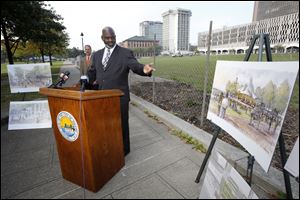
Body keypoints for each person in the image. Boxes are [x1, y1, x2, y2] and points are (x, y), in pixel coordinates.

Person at [87, 26, 155, 156]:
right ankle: (110, 145)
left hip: (120, 98)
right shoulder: (97, 55)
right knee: (106, 125)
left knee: (121, 125)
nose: (111, 40)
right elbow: (92, 72)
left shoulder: (125, 53)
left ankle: (124, 150)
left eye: (113, 37)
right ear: (102, 38)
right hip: (102, 97)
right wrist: (84, 79)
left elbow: (135, 66)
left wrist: (144, 69)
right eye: (107, 38)